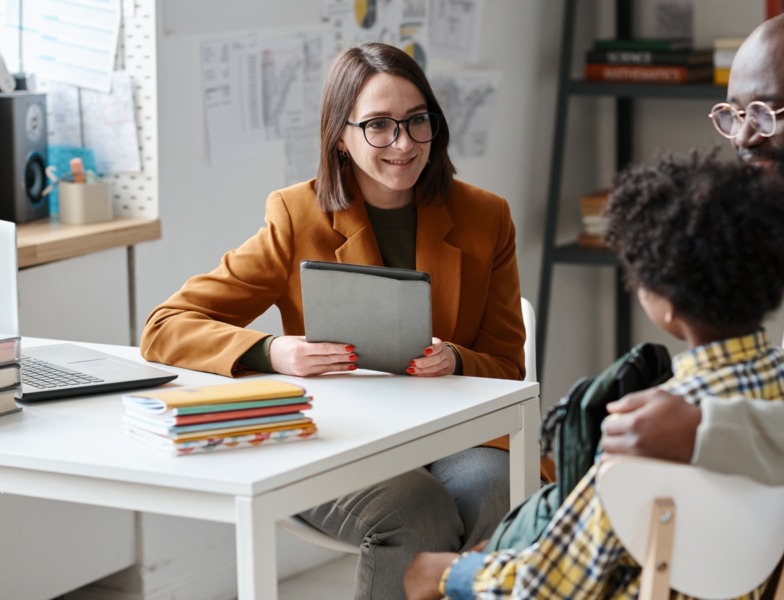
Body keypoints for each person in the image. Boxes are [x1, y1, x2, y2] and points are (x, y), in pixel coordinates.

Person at [410, 7, 784, 600]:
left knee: (605, 527)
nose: (744, 136)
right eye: (734, 115)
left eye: (768, 113)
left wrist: (698, 427)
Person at [140, 42, 540, 600]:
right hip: (338, 437)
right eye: (378, 125)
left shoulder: (484, 216)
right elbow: (166, 325)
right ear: (340, 137)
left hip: (456, 437)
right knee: (413, 510)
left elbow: (505, 365)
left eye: (416, 121)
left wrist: (457, 360)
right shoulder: (296, 215)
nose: (402, 143)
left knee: (495, 488)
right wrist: (274, 353)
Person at [404, 150, 784, 599]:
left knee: (438, 573)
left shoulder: (648, 432)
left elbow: (543, 590)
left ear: (666, 303)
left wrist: (449, 573)